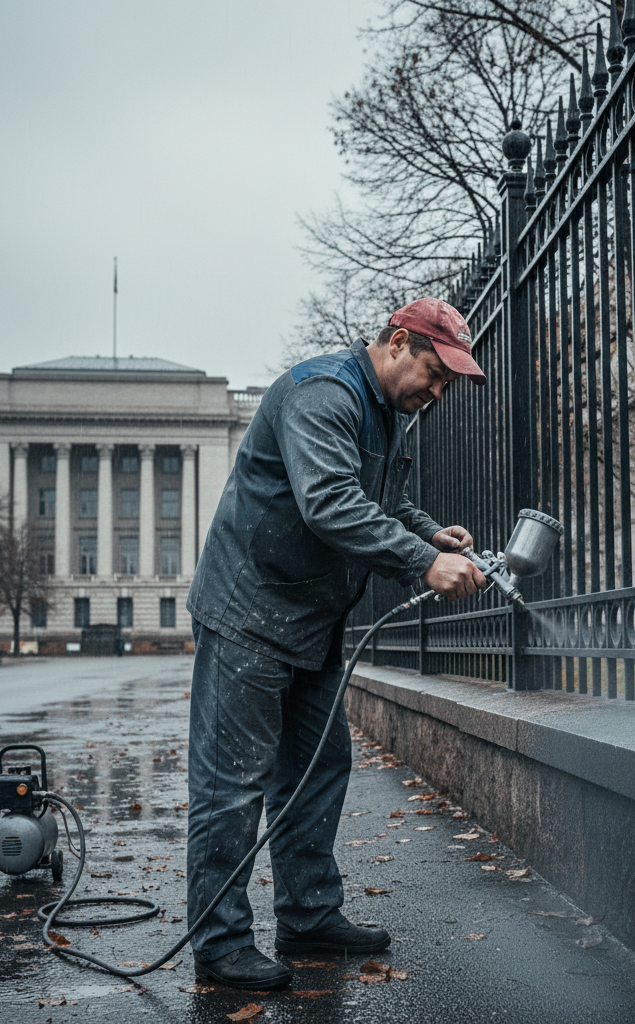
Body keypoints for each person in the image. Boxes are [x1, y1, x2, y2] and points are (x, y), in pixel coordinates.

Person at [184, 297, 488, 989]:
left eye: (445, 386)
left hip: (312, 621)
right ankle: (221, 942)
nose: (436, 396)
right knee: (233, 785)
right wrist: (420, 562)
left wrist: (427, 532)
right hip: (249, 612)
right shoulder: (322, 393)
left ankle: (308, 915)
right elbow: (327, 501)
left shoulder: (386, 414)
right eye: (436, 376)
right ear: (399, 341)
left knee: (317, 769)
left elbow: (377, 502)